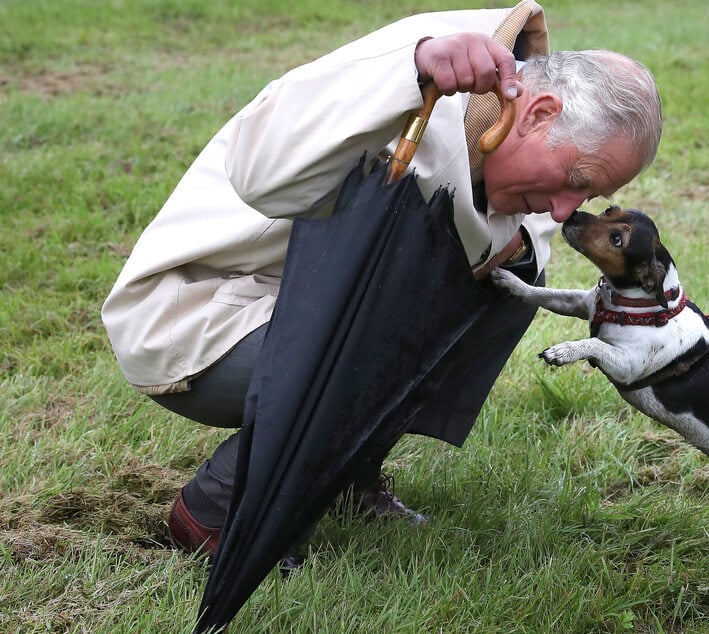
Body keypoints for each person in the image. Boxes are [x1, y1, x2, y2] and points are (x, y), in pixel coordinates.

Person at [101, 0, 662, 560]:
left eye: (586, 196)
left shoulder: (512, 120)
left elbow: (503, 251)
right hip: (199, 310)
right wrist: (410, 71)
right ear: (538, 114)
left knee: (507, 292)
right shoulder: (427, 63)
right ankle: (214, 507)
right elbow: (259, 173)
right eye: (575, 180)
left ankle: (344, 471)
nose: (566, 211)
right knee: (399, 331)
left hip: (308, 307)